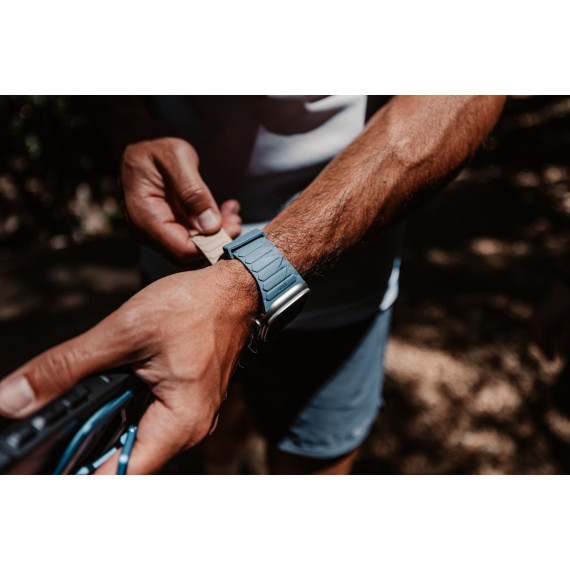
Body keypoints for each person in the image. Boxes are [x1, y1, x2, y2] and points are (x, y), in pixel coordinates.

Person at [0, 96, 506, 474]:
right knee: (211, 444)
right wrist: (132, 130)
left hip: (340, 293)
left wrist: (248, 281)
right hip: (175, 282)